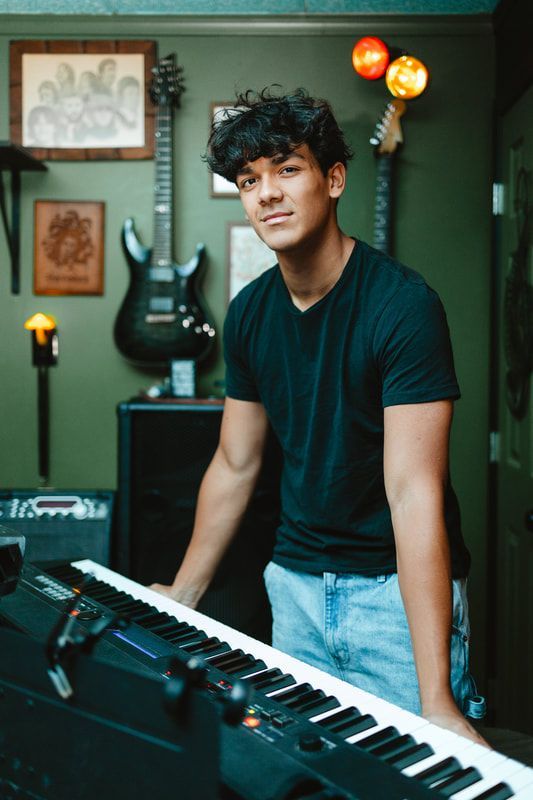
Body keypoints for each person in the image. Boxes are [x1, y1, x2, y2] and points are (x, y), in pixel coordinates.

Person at [152, 87, 486, 745]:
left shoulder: (402, 306)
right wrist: (183, 594)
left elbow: (411, 493)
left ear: (332, 178)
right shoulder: (249, 312)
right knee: (306, 778)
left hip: (393, 599)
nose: (266, 193)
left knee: (412, 777)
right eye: (249, 180)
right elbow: (235, 461)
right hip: (294, 590)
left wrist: (435, 698)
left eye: (286, 168)